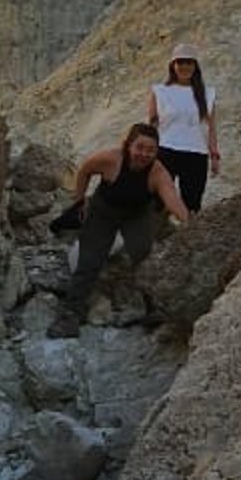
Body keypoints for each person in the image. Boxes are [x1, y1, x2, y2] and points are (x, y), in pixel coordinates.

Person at [49, 123, 189, 334]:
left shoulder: (158, 173)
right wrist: (79, 202)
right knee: (90, 259)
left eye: (151, 150)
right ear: (128, 145)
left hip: (137, 215)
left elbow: (172, 199)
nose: (144, 154)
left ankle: (153, 309)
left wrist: (188, 222)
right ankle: (70, 314)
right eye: (139, 147)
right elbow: (85, 170)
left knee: (144, 255)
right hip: (103, 211)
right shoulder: (111, 159)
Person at [147, 42, 219, 211]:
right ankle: (158, 235)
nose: (185, 66)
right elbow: (152, 124)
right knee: (158, 201)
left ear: (195, 65)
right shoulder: (159, 91)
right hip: (165, 151)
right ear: (173, 65)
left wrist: (214, 155)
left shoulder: (207, 94)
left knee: (192, 203)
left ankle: (187, 237)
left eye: (189, 62)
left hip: (196, 153)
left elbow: (211, 128)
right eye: (180, 62)